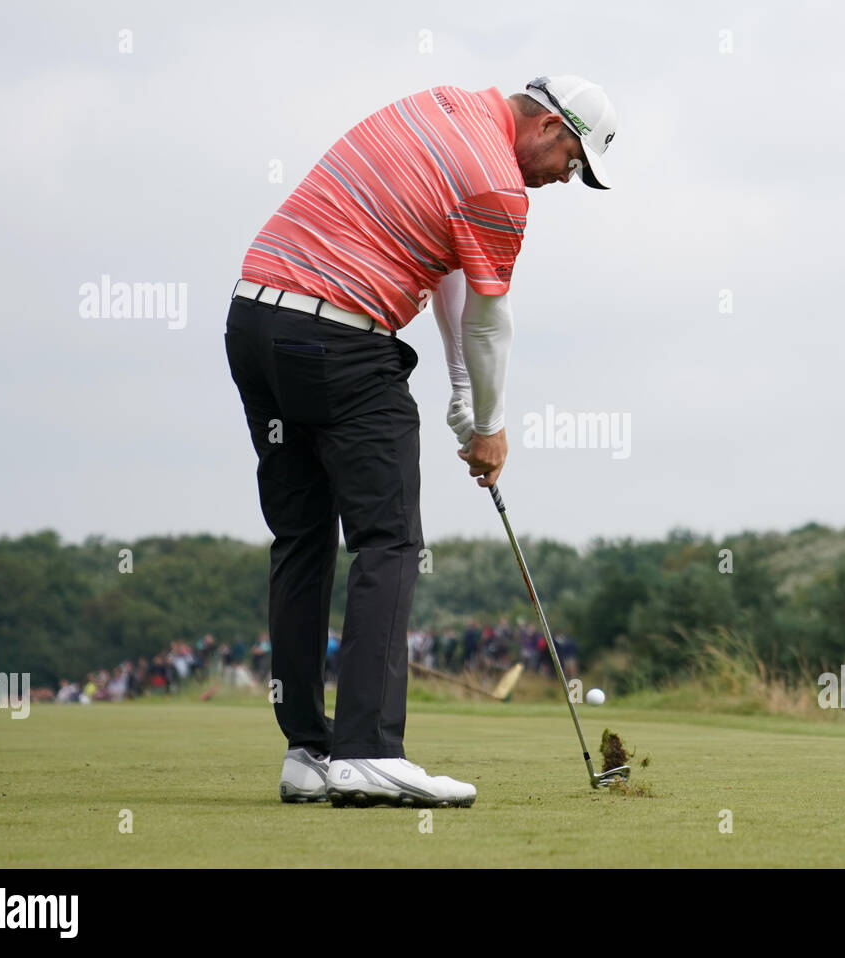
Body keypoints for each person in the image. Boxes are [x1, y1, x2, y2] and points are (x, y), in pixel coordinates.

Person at [225, 76, 618, 808]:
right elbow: (489, 322)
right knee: (388, 539)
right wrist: (492, 431)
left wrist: (464, 401)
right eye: (571, 161)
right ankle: (368, 750)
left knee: (302, 539)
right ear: (547, 128)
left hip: (254, 322)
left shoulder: (446, 107)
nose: (564, 178)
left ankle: (307, 751)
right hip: (339, 336)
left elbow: (445, 274)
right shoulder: (501, 186)